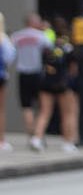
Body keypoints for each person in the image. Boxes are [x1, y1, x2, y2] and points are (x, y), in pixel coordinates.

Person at [32, 17, 79, 153]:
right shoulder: (67, 46)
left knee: (45, 111)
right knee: (67, 114)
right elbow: (73, 68)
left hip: (46, 82)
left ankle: (37, 137)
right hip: (62, 84)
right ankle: (67, 142)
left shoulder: (48, 44)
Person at [12, 13, 52, 146]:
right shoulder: (41, 36)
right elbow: (50, 49)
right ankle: (37, 135)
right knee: (42, 105)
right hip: (37, 73)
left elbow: (12, 54)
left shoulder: (17, 36)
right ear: (34, 22)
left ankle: (31, 135)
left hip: (23, 72)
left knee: (26, 106)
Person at [0, 13, 15, 151]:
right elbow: (9, 58)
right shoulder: (3, 40)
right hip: (1, 76)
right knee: (1, 110)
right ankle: (1, 140)